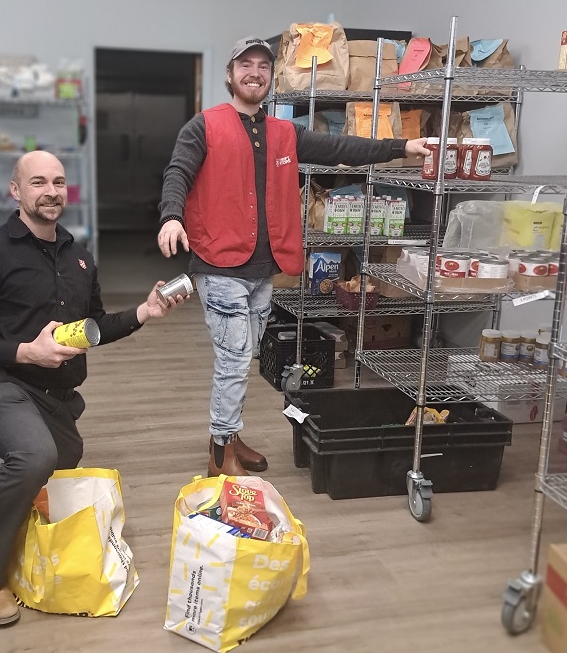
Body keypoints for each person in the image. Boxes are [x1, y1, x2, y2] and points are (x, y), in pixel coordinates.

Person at [0, 150, 185, 627]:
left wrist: (144, 312)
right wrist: (25, 352)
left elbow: (93, 326)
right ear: (16, 191)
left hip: (54, 398)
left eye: (58, 182)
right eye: (37, 182)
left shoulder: (79, 257)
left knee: (48, 477)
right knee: (34, 459)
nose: (51, 191)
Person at [157, 36, 430, 478]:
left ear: (271, 78)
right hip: (219, 266)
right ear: (230, 75)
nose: (254, 72)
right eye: (245, 64)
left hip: (262, 271)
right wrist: (172, 216)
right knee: (233, 359)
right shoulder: (203, 126)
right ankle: (220, 457)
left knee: (242, 360)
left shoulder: (284, 133)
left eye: (263, 66)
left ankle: (227, 435)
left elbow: (343, 150)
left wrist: (400, 149)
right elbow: (178, 172)